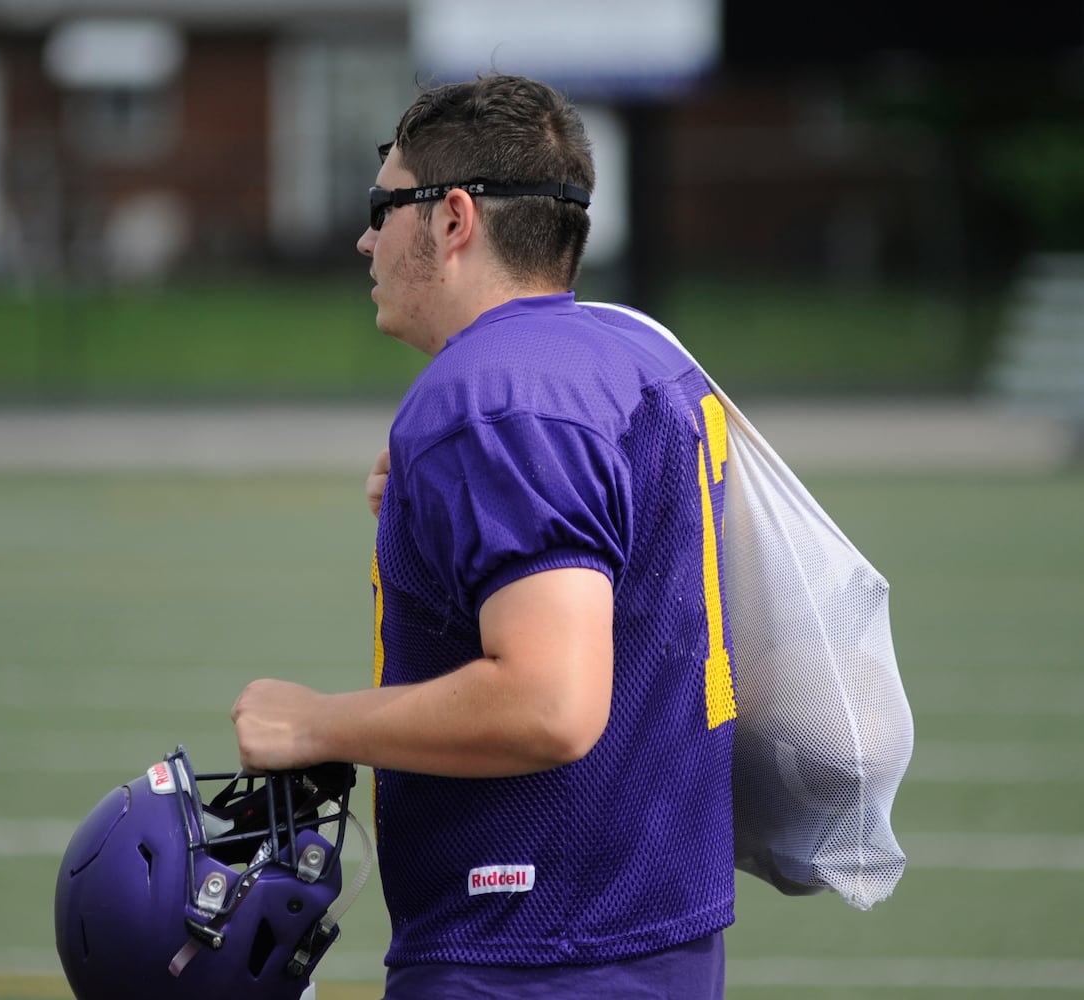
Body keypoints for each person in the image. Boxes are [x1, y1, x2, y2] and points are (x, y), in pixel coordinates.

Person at [232, 73, 737, 999]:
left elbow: (549, 704)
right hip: (647, 931)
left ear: (452, 218)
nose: (364, 237)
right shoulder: (634, 352)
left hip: (532, 949)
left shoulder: (498, 396)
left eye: (382, 205)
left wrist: (313, 723)